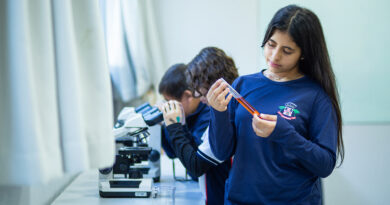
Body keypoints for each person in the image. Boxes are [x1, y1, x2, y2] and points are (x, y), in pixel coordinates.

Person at [206, 5, 344, 204]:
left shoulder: (316, 96)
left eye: (287, 50)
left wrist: (284, 133)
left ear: (303, 54)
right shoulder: (243, 85)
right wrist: (218, 111)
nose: (275, 56)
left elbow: (325, 165)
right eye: (271, 44)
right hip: (239, 200)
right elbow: (222, 152)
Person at [160, 47, 238, 205]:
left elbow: (195, 166)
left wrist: (174, 127)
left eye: (200, 92)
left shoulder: (225, 118)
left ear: (213, 85)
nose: (199, 98)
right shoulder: (229, 110)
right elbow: (196, 151)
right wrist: (179, 125)